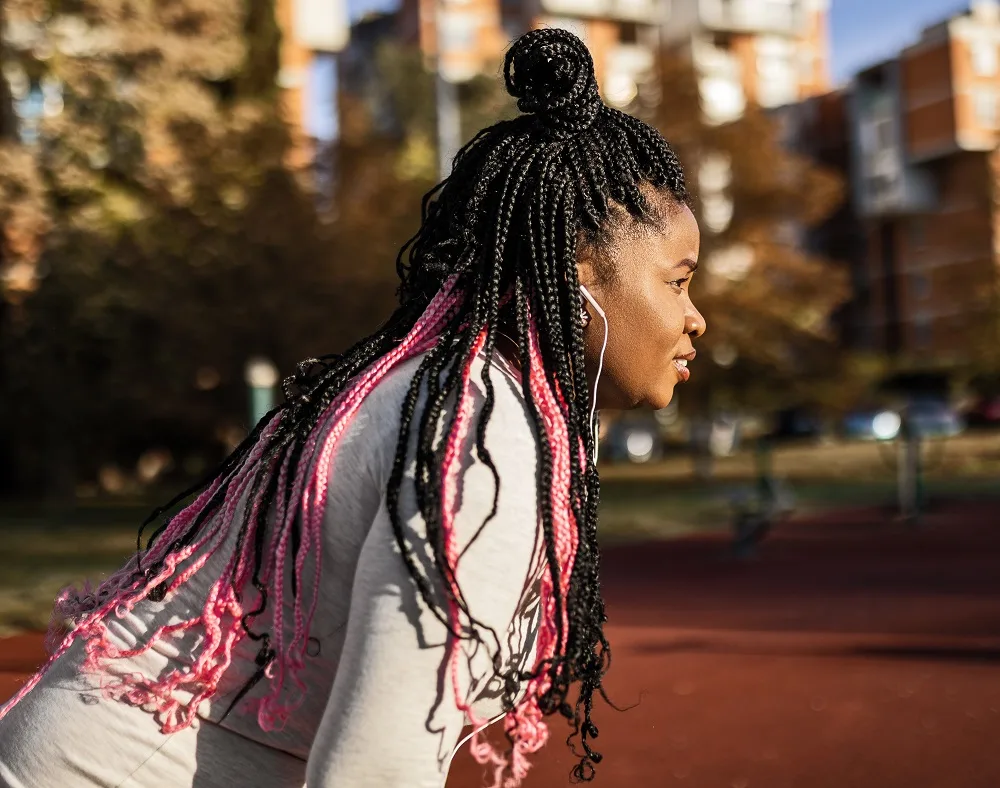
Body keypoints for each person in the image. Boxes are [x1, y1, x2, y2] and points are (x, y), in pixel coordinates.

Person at [0, 28, 704, 788]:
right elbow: (376, 769)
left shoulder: (452, 397)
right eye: (678, 281)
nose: (695, 316)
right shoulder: (479, 438)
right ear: (576, 282)